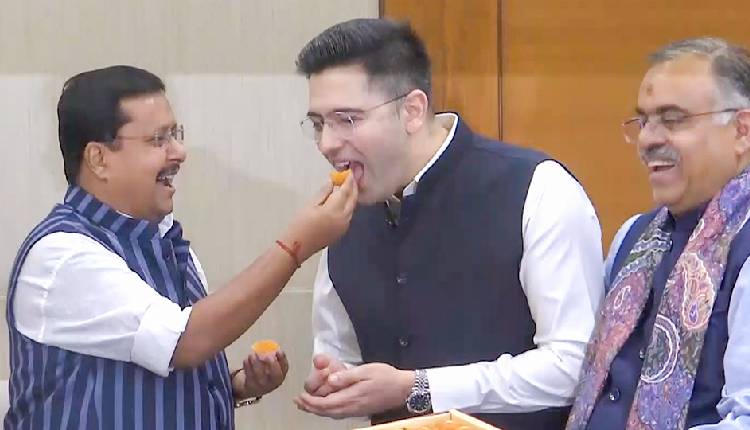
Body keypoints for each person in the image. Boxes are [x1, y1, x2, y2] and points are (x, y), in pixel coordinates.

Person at [291, 18, 604, 429]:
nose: (327, 144)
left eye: (347, 120)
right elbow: (339, 351)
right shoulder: (339, 218)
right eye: (318, 124)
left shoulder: (539, 189)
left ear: (412, 110)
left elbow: (573, 366)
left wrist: (419, 387)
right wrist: (337, 380)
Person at [5, 65, 357, 429]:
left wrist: (238, 385)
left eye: (176, 134)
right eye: (158, 140)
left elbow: (159, 373)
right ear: (99, 159)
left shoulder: (165, 240)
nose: (179, 152)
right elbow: (186, 342)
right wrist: (297, 245)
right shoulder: (62, 256)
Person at [566, 37, 750, 430]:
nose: (648, 140)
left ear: (741, 131)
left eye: (673, 119)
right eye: (644, 122)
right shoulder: (633, 237)